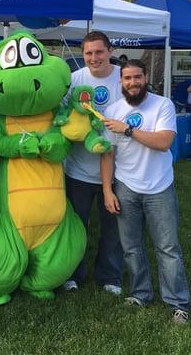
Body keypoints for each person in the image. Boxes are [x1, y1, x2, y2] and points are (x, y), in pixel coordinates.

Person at [101, 59, 191, 324]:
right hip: (125, 186)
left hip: (159, 187)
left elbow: (163, 142)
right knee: (131, 247)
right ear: (121, 81)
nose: (132, 83)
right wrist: (107, 190)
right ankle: (141, 293)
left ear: (145, 77)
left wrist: (127, 129)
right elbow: (107, 154)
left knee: (168, 247)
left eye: (137, 77)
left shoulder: (163, 105)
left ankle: (178, 303)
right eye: (127, 78)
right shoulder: (113, 109)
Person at [63, 31, 123, 295]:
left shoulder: (124, 77)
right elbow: (62, 115)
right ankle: (73, 274)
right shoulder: (75, 79)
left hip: (119, 171)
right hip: (79, 170)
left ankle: (109, 276)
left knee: (113, 226)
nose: (94, 58)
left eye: (99, 52)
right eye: (89, 53)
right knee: (76, 226)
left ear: (109, 50)